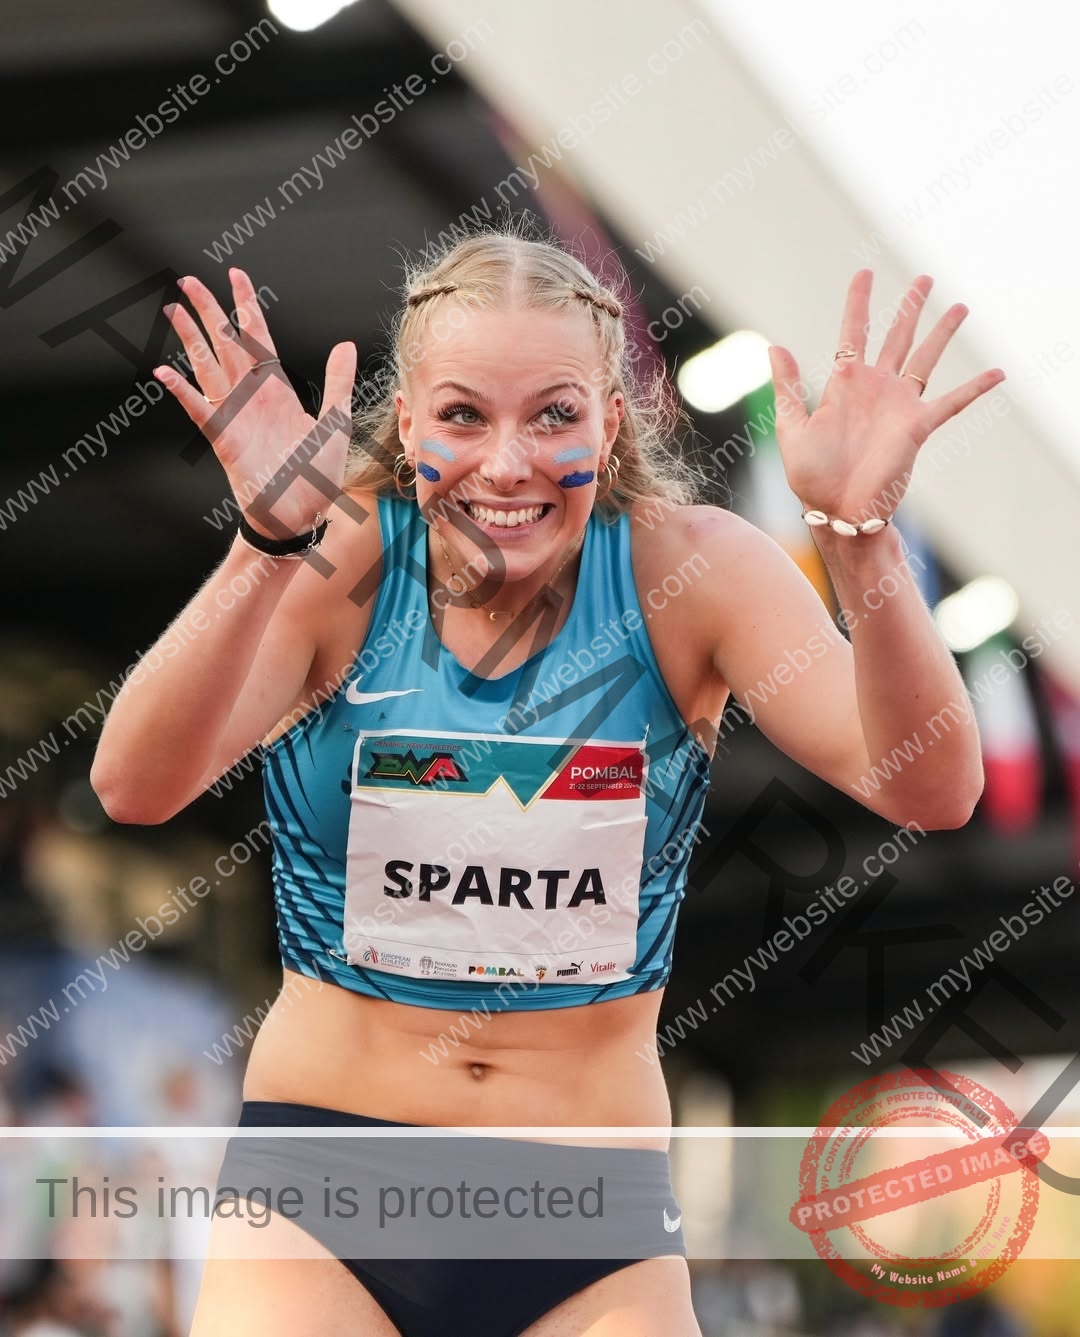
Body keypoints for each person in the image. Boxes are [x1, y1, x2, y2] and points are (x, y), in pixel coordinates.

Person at [91, 226, 999, 1335]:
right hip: (323, 1195)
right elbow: (132, 786)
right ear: (409, 421)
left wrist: (861, 542)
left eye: (554, 415)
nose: (508, 464)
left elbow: (930, 788)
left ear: (612, 420)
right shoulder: (338, 560)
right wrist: (262, 544)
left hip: (586, 1221)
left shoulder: (692, 572)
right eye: (464, 415)